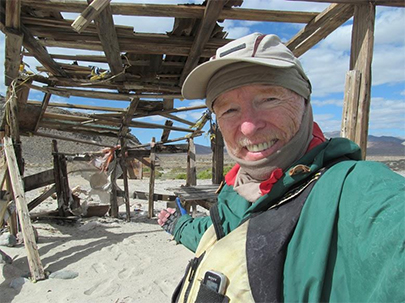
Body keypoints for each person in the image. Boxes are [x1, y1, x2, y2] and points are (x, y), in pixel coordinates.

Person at [157, 33, 404, 303]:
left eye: (269, 99)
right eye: (229, 110)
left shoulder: (357, 191)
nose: (249, 126)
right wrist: (177, 224)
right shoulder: (239, 191)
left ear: (305, 103)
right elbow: (223, 232)